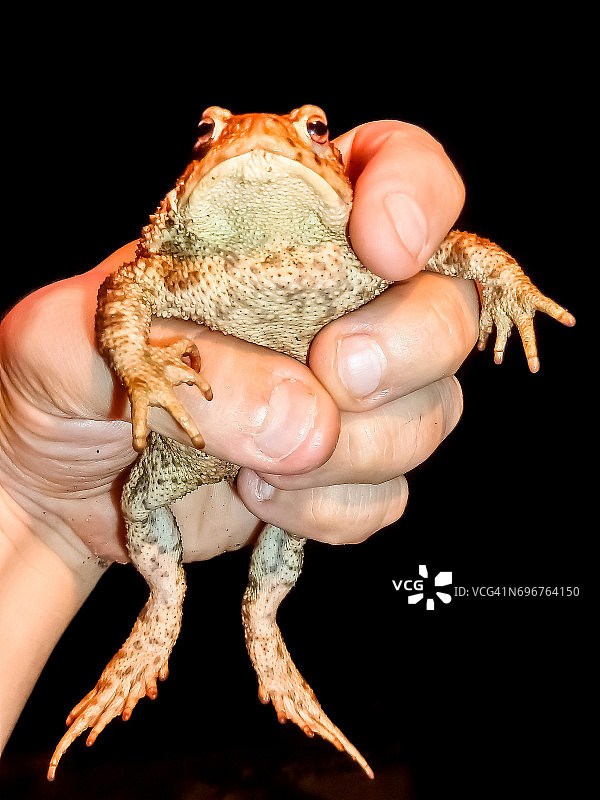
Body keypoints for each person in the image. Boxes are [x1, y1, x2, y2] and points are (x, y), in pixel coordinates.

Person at [0, 119, 476, 750]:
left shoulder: (350, 254)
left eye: (312, 129)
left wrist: (504, 286)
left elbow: (459, 251)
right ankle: (163, 612)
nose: (254, 138)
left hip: (278, 477)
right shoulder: (180, 266)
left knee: (287, 509)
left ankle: (264, 628)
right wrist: (131, 371)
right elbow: (126, 291)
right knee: (147, 499)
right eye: (211, 133)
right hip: (179, 452)